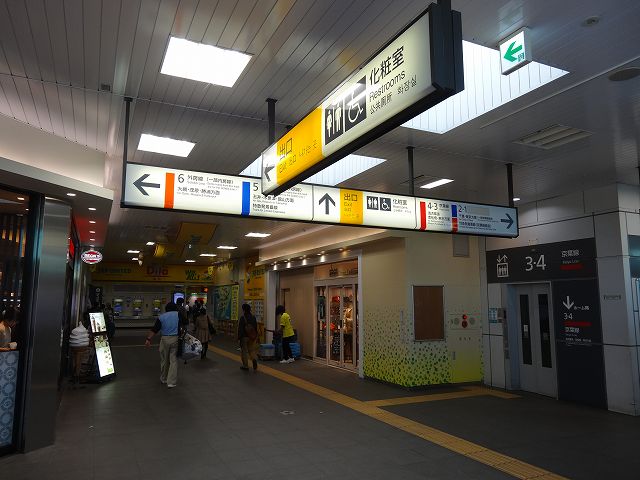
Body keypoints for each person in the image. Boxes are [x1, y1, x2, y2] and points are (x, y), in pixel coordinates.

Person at [144, 301, 181, 388]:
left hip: (164, 339)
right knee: (173, 361)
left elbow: (155, 329)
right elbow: (185, 323)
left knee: (164, 360)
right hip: (175, 339)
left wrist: (148, 339)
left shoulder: (162, 317)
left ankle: (164, 378)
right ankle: (171, 382)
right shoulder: (179, 315)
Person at [237, 303, 258, 371]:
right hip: (252, 336)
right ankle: (254, 359)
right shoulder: (253, 317)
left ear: (244, 310)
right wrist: (255, 336)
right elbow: (255, 327)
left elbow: (240, 328)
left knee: (244, 351)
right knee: (251, 350)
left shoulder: (243, 318)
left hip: (244, 337)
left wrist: (239, 338)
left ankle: (245, 365)